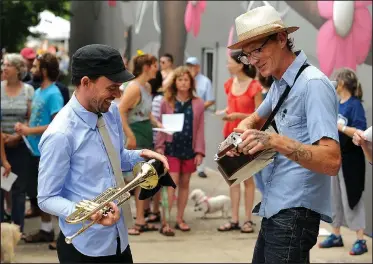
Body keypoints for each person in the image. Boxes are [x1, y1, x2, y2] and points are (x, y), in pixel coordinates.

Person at [227, 6, 341, 263]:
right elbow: (254, 118)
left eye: (258, 49)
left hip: (295, 212)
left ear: (281, 38)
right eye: (246, 55)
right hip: (276, 206)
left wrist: (273, 140)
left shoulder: (312, 84)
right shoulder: (281, 83)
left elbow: (332, 160)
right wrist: (244, 134)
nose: (253, 60)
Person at [35, 44, 169, 263]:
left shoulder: (110, 111)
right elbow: (46, 198)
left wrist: (144, 154)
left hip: (119, 239)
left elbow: (116, 158)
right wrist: (90, 212)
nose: (118, 94)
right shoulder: (60, 134)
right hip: (84, 247)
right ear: (86, 82)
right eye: (112, 87)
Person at [14, 53, 63, 250]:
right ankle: (46, 230)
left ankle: (62, 235)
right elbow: (34, 119)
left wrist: (28, 130)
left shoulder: (54, 93)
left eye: (35, 67)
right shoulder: (38, 92)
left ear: (43, 70)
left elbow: (57, 124)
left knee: (52, 193)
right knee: (40, 193)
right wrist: (21, 131)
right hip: (32, 150)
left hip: (46, 152)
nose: (31, 70)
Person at [319, 68, 368, 255]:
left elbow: (360, 132)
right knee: (334, 198)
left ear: (341, 84)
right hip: (336, 157)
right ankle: (336, 234)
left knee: (352, 198)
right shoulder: (338, 104)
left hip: (352, 161)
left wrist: (341, 127)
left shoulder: (355, 105)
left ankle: (360, 239)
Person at [155, 66, 205, 235]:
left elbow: (199, 129)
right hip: (170, 148)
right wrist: (159, 148)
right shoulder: (166, 101)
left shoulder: (198, 103)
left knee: (185, 185)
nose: (183, 83)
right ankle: (165, 221)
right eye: (180, 79)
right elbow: (160, 125)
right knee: (170, 184)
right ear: (174, 82)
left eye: (186, 79)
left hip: (189, 148)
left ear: (191, 83)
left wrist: (199, 152)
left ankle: (180, 219)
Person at [216, 51, 262, 233]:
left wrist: (238, 116)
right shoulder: (228, 85)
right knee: (232, 178)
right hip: (229, 138)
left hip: (246, 138)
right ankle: (234, 219)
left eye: (229, 62)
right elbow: (231, 105)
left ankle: (248, 220)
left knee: (248, 180)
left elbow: (259, 115)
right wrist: (225, 112)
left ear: (240, 64)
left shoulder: (254, 86)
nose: (227, 65)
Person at [118, 54, 163, 235]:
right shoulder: (134, 88)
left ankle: (140, 219)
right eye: (154, 65)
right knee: (131, 180)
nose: (156, 68)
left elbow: (147, 113)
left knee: (142, 178)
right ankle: (128, 221)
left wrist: (159, 125)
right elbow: (121, 110)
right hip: (135, 134)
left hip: (145, 133)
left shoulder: (147, 86)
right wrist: (130, 135)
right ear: (146, 67)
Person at [0, 53, 34, 234]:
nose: (4, 69)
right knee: (0, 187)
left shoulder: (28, 90)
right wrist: (3, 136)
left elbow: (31, 118)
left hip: (20, 144)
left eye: (8, 65)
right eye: (3, 65)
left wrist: (17, 136)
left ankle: (17, 231)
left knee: (19, 190)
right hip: (0, 145)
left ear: (18, 69)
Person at [185, 56, 214, 178]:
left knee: (201, 138)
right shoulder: (184, 79)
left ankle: (201, 168)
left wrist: (199, 106)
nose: (190, 68)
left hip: (201, 114)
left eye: (193, 66)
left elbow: (211, 100)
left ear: (198, 67)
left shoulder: (205, 81)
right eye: (189, 66)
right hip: (186, 114)